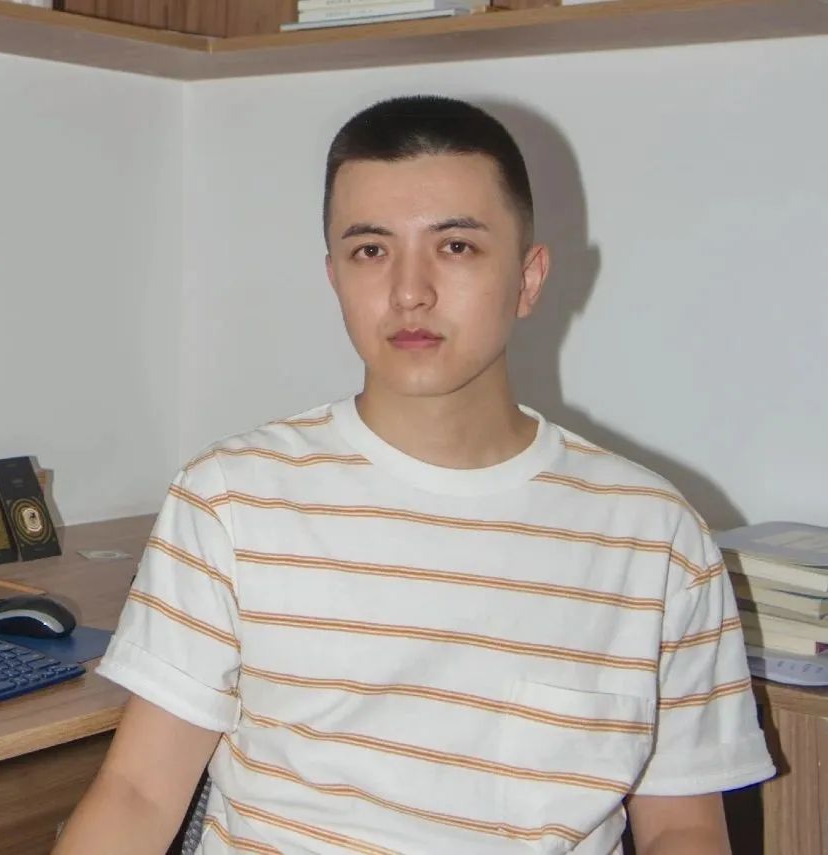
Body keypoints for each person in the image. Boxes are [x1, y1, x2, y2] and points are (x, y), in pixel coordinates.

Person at [54, 95, 774, 855]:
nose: (409, 292)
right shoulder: (230, 499)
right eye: (371, 251)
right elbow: (138, 794)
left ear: (528, 279)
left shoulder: (656, 537)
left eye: (455, 246)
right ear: (334, 276)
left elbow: (682, 828)